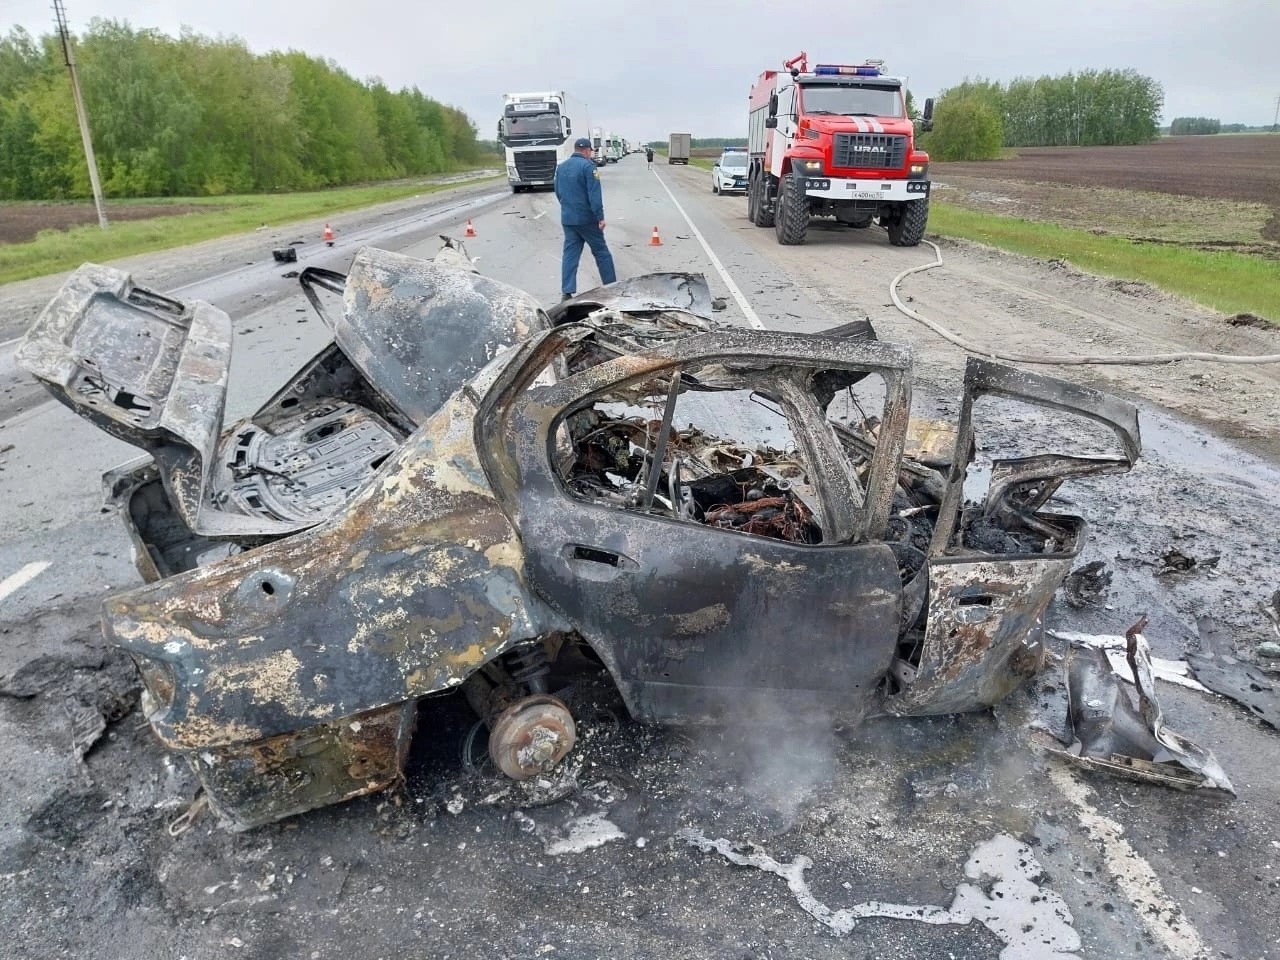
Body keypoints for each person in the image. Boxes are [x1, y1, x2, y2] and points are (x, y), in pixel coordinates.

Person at [554, 137, 616, 300]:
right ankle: (612, 287)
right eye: (590, 151)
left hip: (568, 219)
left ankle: (567, 291)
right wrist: (600, 217)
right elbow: (594, 196)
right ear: (587, 150)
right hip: (587, 220)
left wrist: (567, 208)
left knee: (570, 254)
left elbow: (558, 193)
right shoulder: (589, 167)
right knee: (602, 253)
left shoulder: (561, 167)